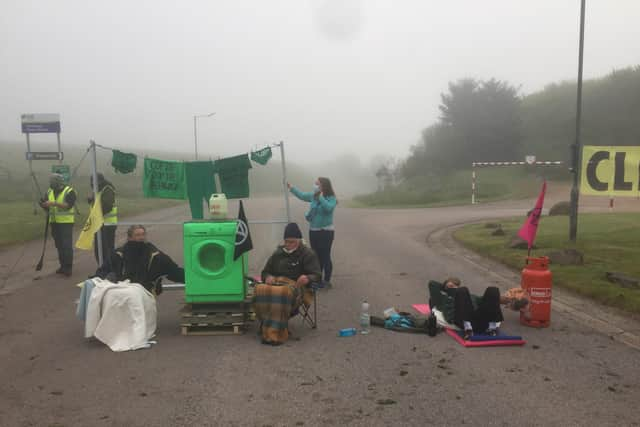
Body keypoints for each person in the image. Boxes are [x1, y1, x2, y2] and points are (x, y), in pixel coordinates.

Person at [254, 223, 321, 345]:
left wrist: (307, 278)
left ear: (299, 241)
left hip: (297, 287)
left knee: (282, 293)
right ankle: (268, 325)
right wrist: (268, 277)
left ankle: (276, 333)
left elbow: (317, 275)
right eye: (286, 241)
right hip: (276, 284)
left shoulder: (307, 254)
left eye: (292, 242)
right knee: (259, 289)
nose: (289, 245)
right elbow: (265, 272)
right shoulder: (277, 253)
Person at [429, 277, 527, 340]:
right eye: (451, 285)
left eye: (456, 285)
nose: (454, 287)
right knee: (463, 290)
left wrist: (509, 299)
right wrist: (446, 286)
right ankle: (468, 331)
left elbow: (488, 301)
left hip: (481, 322)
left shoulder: (470, 296)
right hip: (462, 321)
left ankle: (492, 328)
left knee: (493, 290)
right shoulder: (442, 299)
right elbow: (432, 283)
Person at [98, 224, 184, 294]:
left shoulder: (154, 254)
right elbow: (103, 271)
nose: (141, 237)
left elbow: (173, 271)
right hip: (121, 292)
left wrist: (193, 278)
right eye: (138, 235)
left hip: (145, 292)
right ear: (130, 237)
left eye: (143, 234)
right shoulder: (118, 254)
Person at [287, 177, 337, 287]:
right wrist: (291, 188)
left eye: (317, 184)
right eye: (314, 183)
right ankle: (317, 280)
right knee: (316, 256)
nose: (314, 185)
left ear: (323, 185)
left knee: (325, 256)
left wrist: (320, 197)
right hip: (314, 231)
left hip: (326, 232)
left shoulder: (331, 198)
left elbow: (328, 208)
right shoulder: (313, 196)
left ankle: (327, 281)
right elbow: (302, 195)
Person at [40, 173, 77, 276]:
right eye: (50, 181)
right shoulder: (49, 191)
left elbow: (68, 206)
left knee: (66, 245)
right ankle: (62, 266)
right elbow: (47, 205)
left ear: (58, 182)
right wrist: (44, 205)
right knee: (59, 245)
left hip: (66, 222)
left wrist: (53, 203)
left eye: (52, 182)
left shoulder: (70, 191)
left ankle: (68, 268)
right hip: (54, 222)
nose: (50, 184)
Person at [88, 173, 117, 269]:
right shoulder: (98, 190)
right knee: (99, 249)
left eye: (94, 182)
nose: (92, 184)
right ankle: (103, 269)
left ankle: (110, 270)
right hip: (99, 223)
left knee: (106, 249)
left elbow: (107, 206)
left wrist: (96, 213)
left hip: (107, 224)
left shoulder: (107, 189)